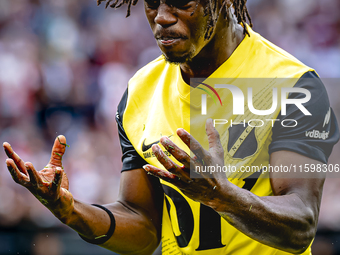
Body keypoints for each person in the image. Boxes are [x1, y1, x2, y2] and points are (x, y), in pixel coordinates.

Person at [3, 0, 339, 254]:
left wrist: (223, 197)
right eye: (152, 2)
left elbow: (300, 223)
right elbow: (145, 227)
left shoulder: (293, 85)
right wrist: (72, 211)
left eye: (181, 1)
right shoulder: (140, 91)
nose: (162, 16)